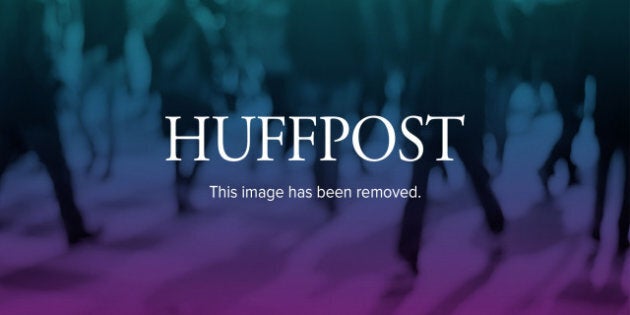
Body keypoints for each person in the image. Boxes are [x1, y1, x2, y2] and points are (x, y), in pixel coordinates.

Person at [397, 0, 507, 274]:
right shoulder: (419, 8)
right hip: (429, 108)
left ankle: (496, 223)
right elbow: (411, 54)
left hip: (463, 106)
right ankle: (408, 249)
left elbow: (498, 47)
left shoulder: (475, 7)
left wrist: (467, 47)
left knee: (476, 173)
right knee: (418, 180)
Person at [0, 0, 96, 246]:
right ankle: (74, 227)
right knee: (57, 168)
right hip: (32, 101)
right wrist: (54, 84)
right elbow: (37, 50)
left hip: (6, 97)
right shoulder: (31, 6)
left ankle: (75, 226)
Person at [145, 0, 217, 214]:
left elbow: (153, 57)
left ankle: (179, 186)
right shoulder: (195, 24)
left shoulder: (159, 24)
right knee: (207, 135)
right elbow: (208, 59)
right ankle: (189, 181)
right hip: (194, 92)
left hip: (169, 92)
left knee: (177, 144)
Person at [585, 0, 629, 254]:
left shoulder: (596, 8)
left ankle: (598, 222)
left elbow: (584, 54)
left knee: (603, 166)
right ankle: (623, 227)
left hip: (606, 101)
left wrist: (578, 97)